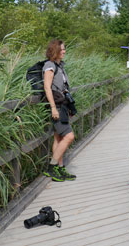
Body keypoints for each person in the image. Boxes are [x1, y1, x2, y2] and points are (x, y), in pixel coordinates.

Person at [42, 39, 76, 182]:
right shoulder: (49, 66)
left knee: (59, 137)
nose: (64, 51)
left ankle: (60, 169)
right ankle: (52, 167)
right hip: (56, 106)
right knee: (69, 136)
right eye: (62, 49)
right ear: (55, 50)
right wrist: (53, 108)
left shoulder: (59, 65)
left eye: (64, 49)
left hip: (62, 105)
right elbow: (47, 87)